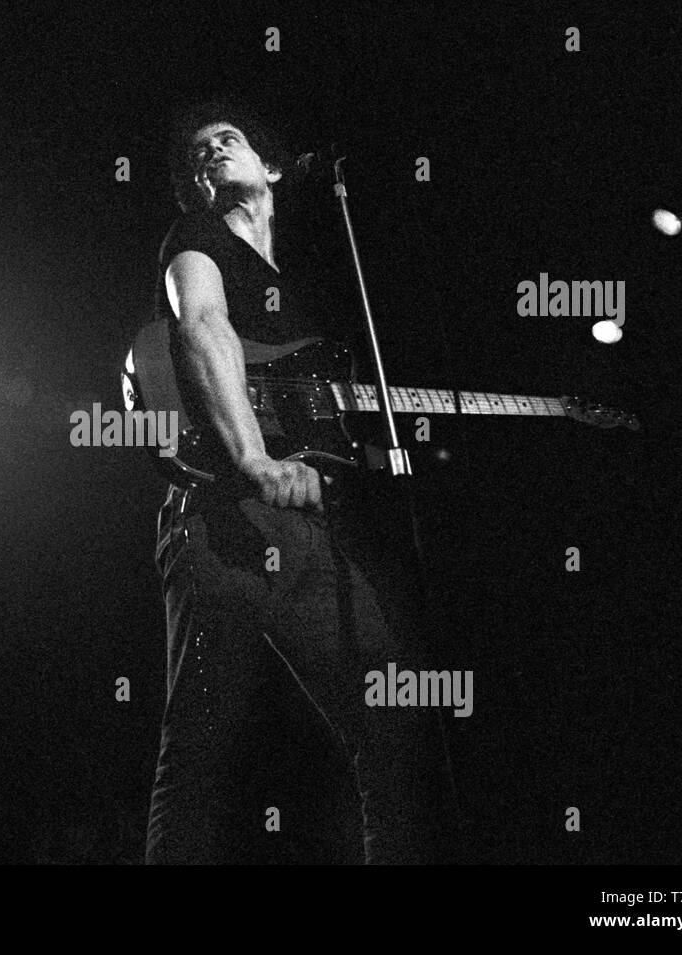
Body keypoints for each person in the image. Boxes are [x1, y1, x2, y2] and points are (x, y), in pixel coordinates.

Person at [144, 101, 460, 864]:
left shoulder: (317, 287)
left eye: (228, 140)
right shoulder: (194, 240)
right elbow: (202, 327)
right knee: (199, 751)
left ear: (274, 169)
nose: (210, 154)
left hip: (313, 532)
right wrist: (253, 459)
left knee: (395, 717)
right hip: (221, 519)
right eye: (197, 154)